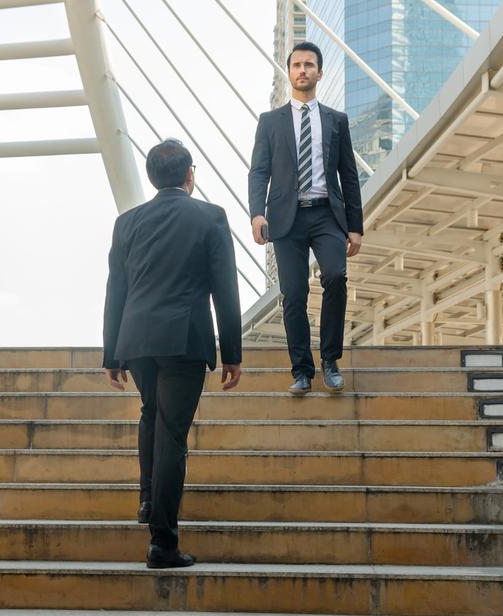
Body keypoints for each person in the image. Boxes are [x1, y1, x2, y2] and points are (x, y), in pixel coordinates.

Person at [103, 139, 242, 569]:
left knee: (151, 413)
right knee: (172, 436)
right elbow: (225, 290)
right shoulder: (211, 216)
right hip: (184, 340)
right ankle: (162, 542)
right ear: (190, 175)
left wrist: (112, 353)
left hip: (137, 339)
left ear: (150, 177)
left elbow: (116, 291)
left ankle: (148, 499)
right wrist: (231, 353)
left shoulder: (127, 222)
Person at [248, 41, 363, 395]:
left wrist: (356, 226)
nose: (302, 70)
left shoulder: (336, 121)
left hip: (327, 215)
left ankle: (330, 360)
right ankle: (301, 370)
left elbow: (349, 173)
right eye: (297, 64)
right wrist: (256, 214)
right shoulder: (270, 122)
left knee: (335, 276)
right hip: (286, 219)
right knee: (293, 294)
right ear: (289, 71)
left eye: (309, 65)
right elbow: (259, 171)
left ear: (319, 72)